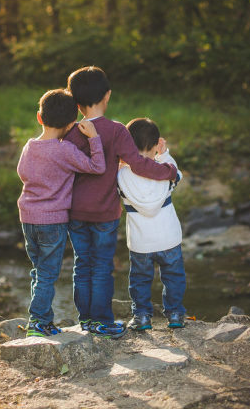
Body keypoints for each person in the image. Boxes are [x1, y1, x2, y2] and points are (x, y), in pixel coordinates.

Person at [63, 66, 177, 339]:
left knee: (82, 264)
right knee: (102, 266)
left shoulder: (70, 132)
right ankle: (102, 321)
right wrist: (168, 171)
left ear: (76, 102)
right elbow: (138, 164)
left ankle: (86, 320)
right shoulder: (116, 130)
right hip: (104, 213)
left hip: (75, 212)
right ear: (107, 96)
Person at [16, 88, 106, 337]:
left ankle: (41, 319)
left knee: (38, 270)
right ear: (71, 124)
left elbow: (23, 173)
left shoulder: (29, 146)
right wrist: (94, 138)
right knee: (47, 273)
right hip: (52, 221)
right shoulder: (64, 149)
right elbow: (97, 166)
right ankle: (38, 321)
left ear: (39, 117)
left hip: (28, 218)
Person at [118, 118, 186, 330]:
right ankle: (175, 314)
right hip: (169, 238)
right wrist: (164, 155)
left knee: (140, 280)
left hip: (140, 242)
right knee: (174, 277)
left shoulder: (121, 175)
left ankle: (141, 317)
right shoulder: (165, 171)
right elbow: (177, 173)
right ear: (156, 144)